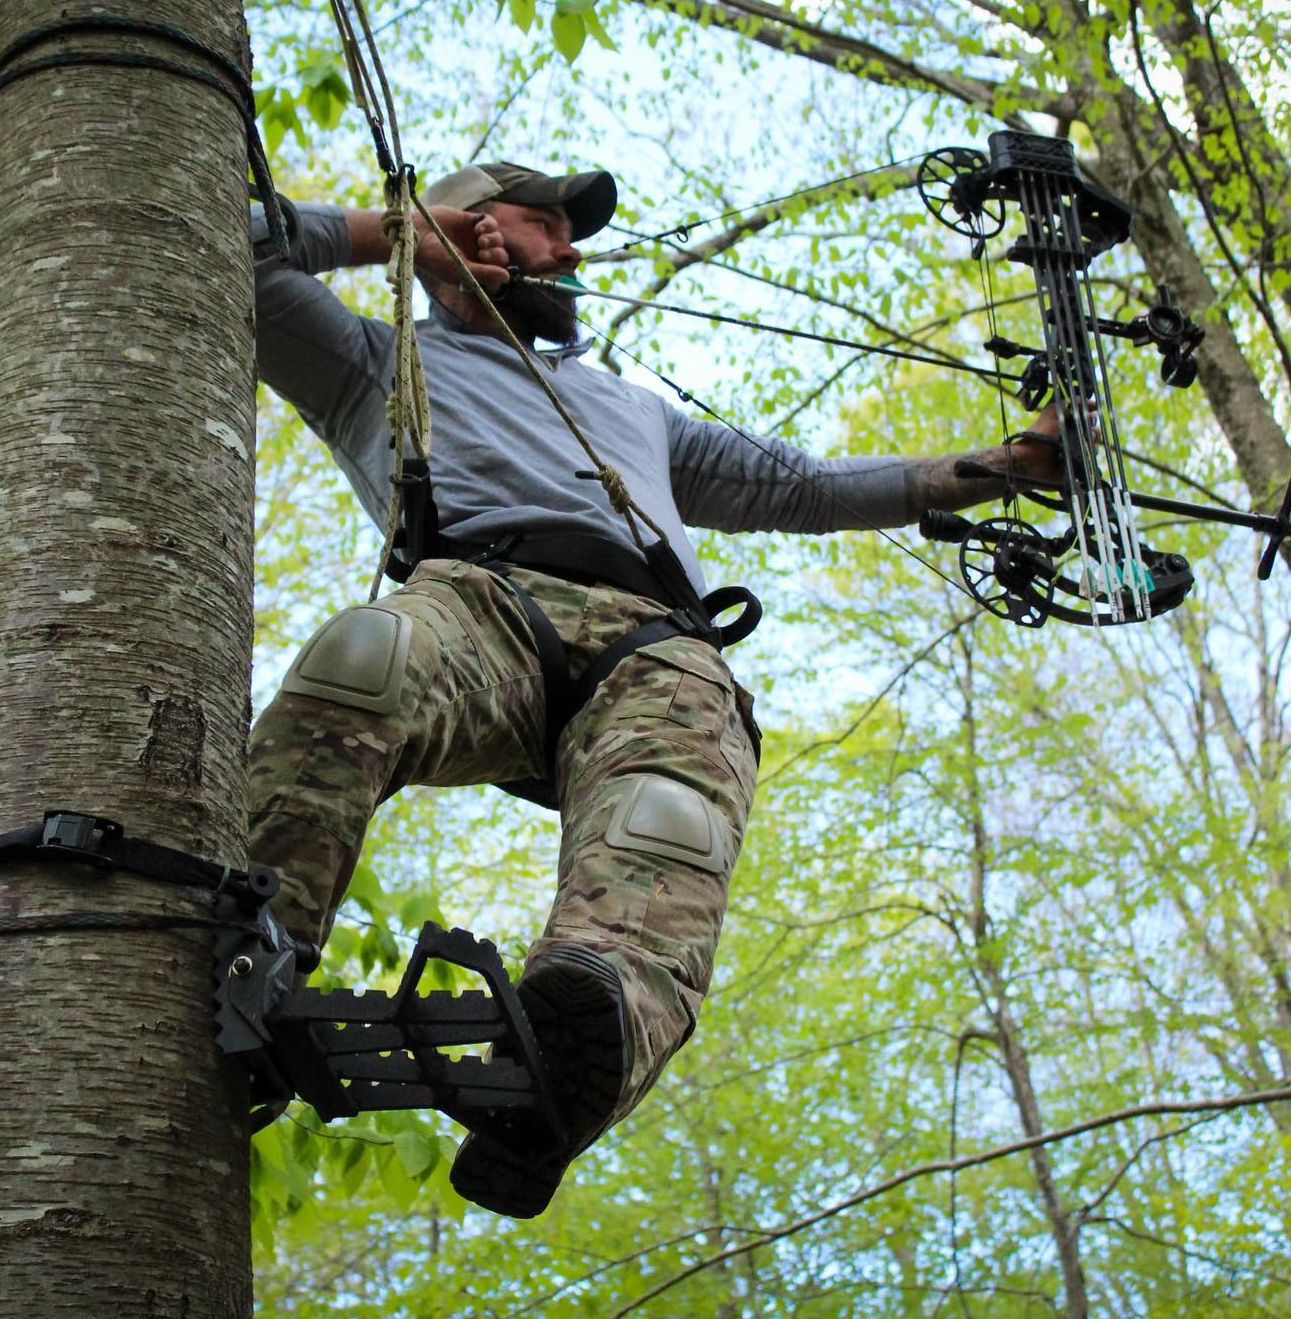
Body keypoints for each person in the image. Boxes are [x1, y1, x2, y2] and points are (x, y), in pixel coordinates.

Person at [246, 162, 1062, 1218]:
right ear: (473, 228)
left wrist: (1001, 465)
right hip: (483, 600)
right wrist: (393, 232)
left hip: (655, 643)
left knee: (668, 823)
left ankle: (562, 1057)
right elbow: (222, 240)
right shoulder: (372, 355)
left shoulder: (628, 407)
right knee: (367, 661)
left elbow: (800, 483)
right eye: (544, 227)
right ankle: (245, 950)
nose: (571, 252)